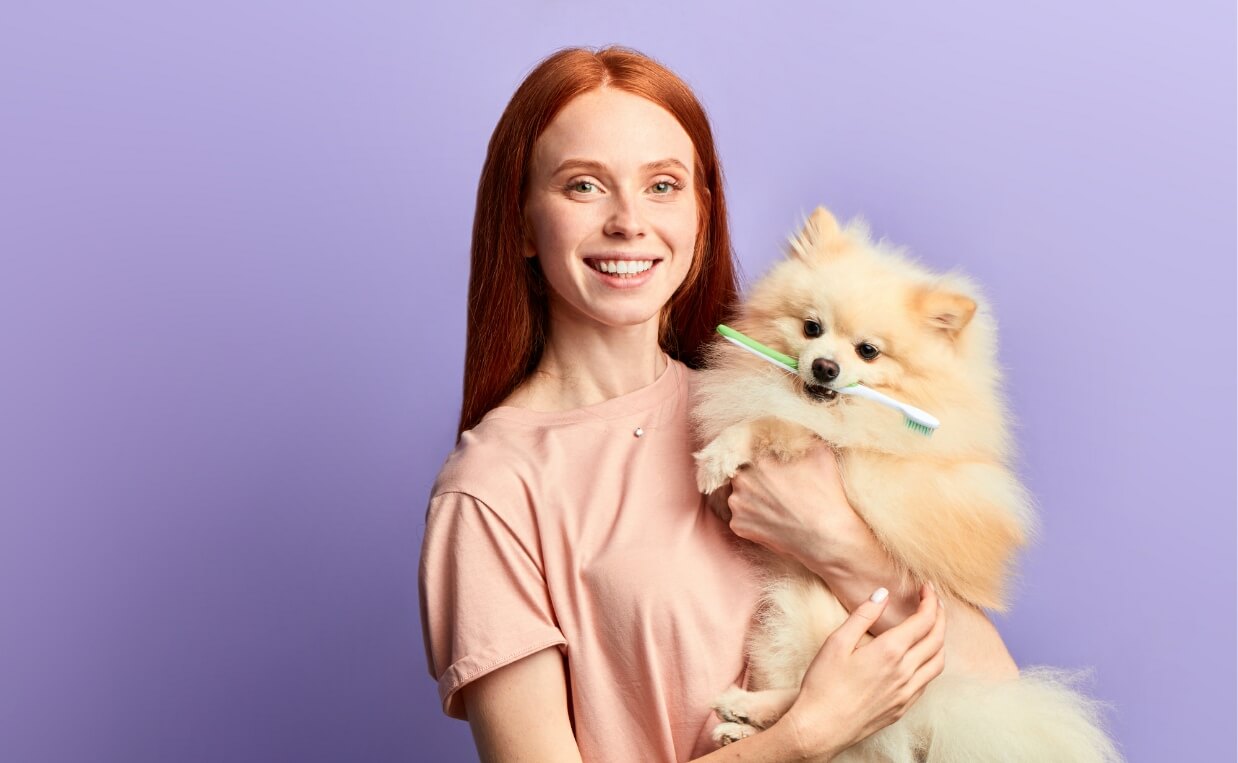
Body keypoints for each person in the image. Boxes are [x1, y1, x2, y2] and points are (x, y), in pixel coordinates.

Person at [419, 46, 1018, 762]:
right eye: (584, 186)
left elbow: (997, 685)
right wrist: (804, 734)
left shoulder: (794, 404)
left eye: (663, 185)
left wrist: (838, 540)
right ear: (519, 222)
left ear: (701, 215)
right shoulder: (492, 491)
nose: (628, 221)